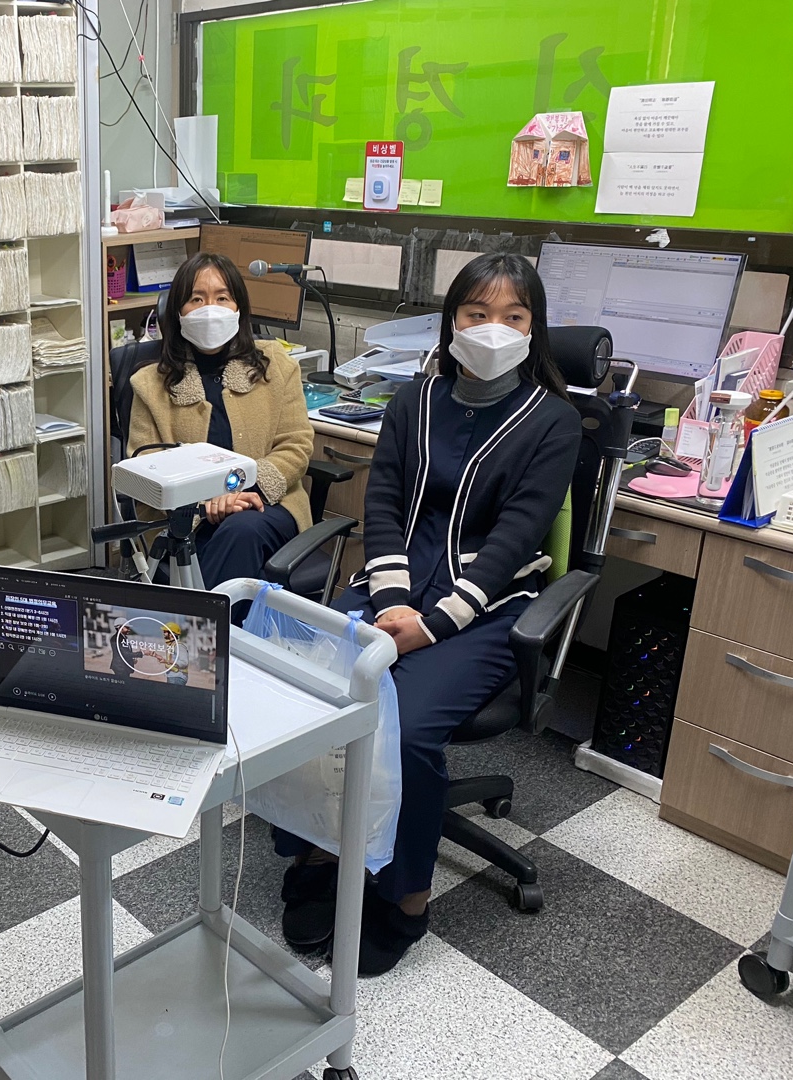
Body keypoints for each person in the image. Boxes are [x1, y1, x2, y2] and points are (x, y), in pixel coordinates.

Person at [275, 253, 580, 975]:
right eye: (477, 313)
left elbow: (514, 539)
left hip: (487, 606)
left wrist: (434, 624)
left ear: (533, 329)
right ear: (452, 321)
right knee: (315, 687)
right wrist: (390, 602)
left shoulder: (554, 421)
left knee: (403, 728)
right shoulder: (414, 400)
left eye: (513, 316)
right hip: (392, 585)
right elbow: (381, 502)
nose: (493, 329)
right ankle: (325, 845)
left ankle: (408, 895)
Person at [127, 252, 313, 589]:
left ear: (239, 308)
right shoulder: (150, 385)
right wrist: (203, 504)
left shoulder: (275, 365)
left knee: (240, 531)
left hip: (266, 504)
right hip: (185, 519)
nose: (209, 309)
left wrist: (240, 490)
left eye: (222, 298)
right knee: (235, 558)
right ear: (178, 312)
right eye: (197, 299)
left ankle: (195, 621)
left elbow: (296, 445)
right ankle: (227, 621)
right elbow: (145, 467)